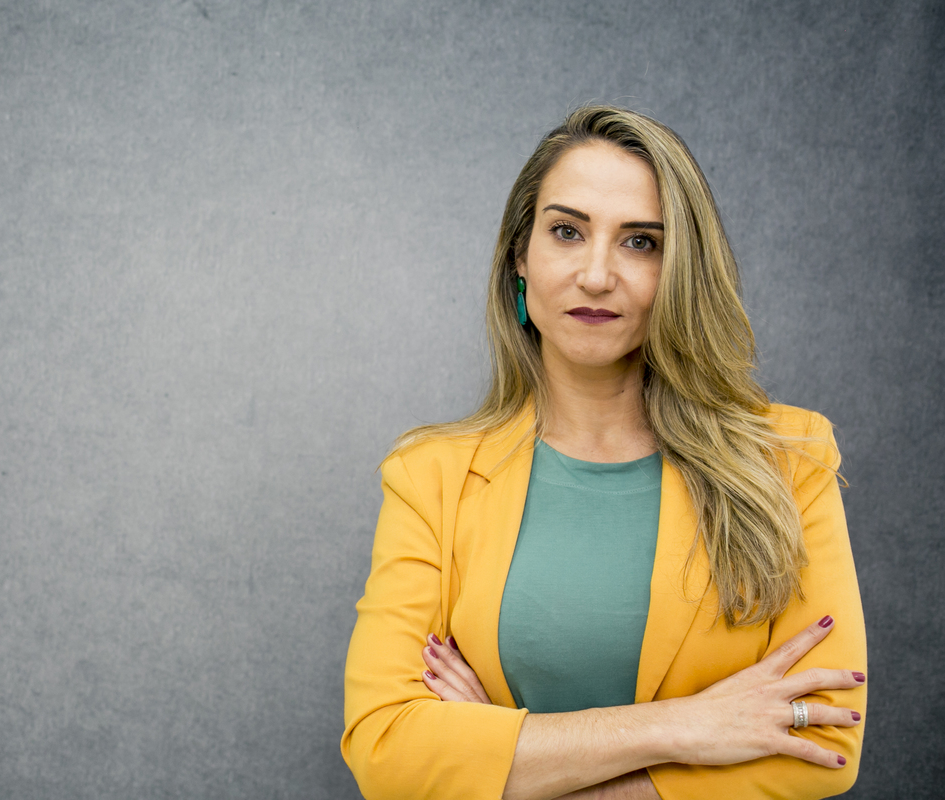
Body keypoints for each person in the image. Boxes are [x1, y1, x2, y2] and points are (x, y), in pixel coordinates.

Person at [340, 106, 866, 800]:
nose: (596, 275)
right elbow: (386, 748)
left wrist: (508, 760)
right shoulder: (429, 476)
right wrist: (683, 727)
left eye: (640, 242)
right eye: (567, 231)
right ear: (520, 256)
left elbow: (825, 746)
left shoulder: (788, 459)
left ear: (680, 269)